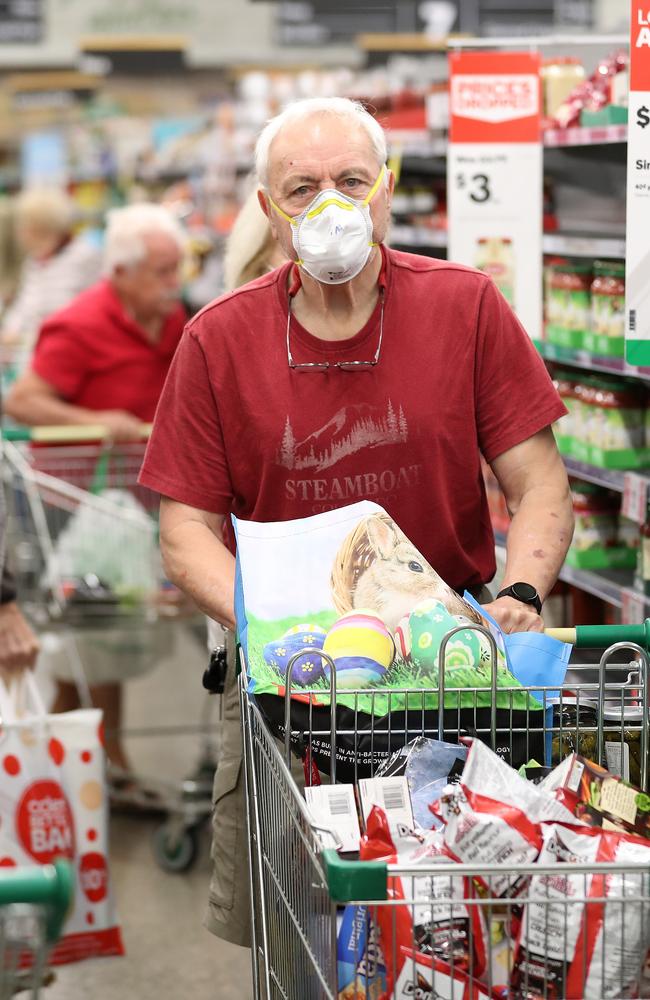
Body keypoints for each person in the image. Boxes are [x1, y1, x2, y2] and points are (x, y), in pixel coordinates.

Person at [138, 96, 574, 947]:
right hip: (285, 688)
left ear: (384, 190)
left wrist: (520, 589)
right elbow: (185, 533)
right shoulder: (216, 341)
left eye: (351, 180)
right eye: (302, 189)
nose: (330, 205)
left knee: (458, 923)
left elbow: (542, 485)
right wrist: (277, 629)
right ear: (268, 209)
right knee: (294, 932)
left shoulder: (465, 307)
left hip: (449, 675)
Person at [5, 203, 187, 771]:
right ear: (121, 273)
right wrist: (95, 416)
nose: (174, 284)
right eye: (161, 271)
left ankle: (79, 759)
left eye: (177, 269)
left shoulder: (175, 321)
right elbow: (21, 401)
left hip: (127, 507)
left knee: (103, 632)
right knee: (91, 629)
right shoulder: (80, 325)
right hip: (70, 502)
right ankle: (89, 759)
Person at [1, 188, 102, 354]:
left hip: (69, 350)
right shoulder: (34, 261)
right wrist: (10, 330)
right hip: (33, 351)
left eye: (25, 227)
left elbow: (84, 312)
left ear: (42, 228)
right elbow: (25, 305)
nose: (20, 234)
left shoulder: (84, 257)